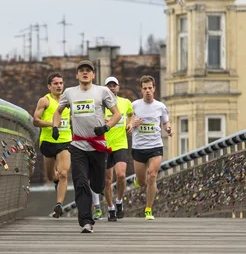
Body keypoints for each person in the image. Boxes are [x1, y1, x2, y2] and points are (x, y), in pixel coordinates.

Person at [52, 60, 122, 233]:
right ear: (77, 75)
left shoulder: (102, 91)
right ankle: (86, 221)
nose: (85, 73)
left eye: (88, 71)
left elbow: (117, 114)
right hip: (77, 146)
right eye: (81, 70)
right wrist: (55, 126)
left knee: (97, 185)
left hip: (97, 145)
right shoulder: (69, 93)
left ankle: (96, 189)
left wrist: (106, 127)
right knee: (81, 182)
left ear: (93, 75)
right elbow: (58, 111)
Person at [130, 75, 172, 220]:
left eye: (150, 88)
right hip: (139, 147)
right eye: (145, 88)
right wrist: (133, 124)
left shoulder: (161, 106)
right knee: (142, 182)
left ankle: (148, 209)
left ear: (154, 89)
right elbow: (127, 124)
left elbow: (166, 122)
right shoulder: (134, 105)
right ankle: (137, 179)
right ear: (141, 90)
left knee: (152, 175)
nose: (147, 90)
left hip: (155, 146)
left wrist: (168, 128)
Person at [33, 73, 71, 218]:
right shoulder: (44, 101)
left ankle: (59, 204)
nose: (59, 86)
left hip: (65, 141)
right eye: (55, 83)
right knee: (51, 176)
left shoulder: (68, 100)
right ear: (49, 86)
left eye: (61, 83)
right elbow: (35, 120)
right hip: (48, 142)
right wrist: (52, 124)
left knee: (63, 173)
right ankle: (56, 181)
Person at [102, 76, 134, 221]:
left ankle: (119, 200)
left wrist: (131, 124)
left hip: (120, 143)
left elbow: (131, 115)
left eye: (114, 85)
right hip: (104, 145)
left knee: (121, 175)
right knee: (107, 180)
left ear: (118, 88)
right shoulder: (100, 105)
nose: (111, 88)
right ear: (105, 88)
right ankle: (110, 208)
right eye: (109, 85)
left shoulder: (125, 102)